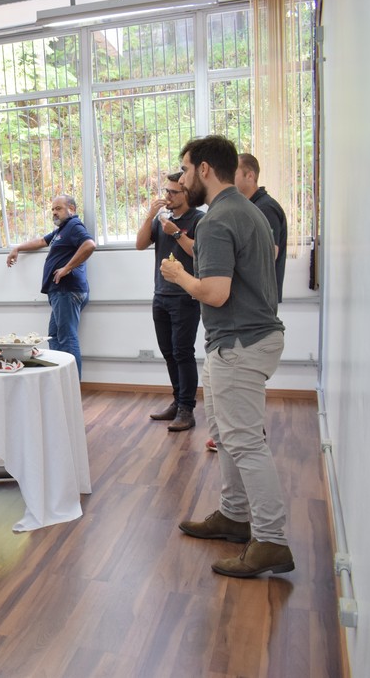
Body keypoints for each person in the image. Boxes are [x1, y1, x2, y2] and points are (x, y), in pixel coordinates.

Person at [160, 135, 293, 578]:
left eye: (184, 169)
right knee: (229, 435)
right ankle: (235, 516)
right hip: (241, 341)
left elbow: (215, 292)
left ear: (203, 169)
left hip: (239, 344)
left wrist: (178, 275)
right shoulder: (247, 209)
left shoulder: (217, 219)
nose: (180, 179)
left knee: (245, 442)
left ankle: (271, 540)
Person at [136, 172, 204, 432]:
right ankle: (177, 402)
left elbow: (198, 252)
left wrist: (176, 234)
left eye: (174, 192)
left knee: (182, 352)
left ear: (187, 193)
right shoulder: (161, 219)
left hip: (186, 296)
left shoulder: (199, 219)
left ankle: (187, 409)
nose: (168, 196)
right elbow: (140, 244)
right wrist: (149, 216)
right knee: (168, 353)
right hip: (161, 295)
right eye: (166, 191)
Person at [6, 194, 96, 378]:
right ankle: (60, 381)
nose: (54, 212)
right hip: (60, 292)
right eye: (53, 209)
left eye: (59, 208)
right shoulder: (60, 231)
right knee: (54, 336)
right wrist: (17, 248)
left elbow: (89, 244)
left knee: (67, 338)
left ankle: (72, 385)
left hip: (67, 291)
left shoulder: (74, 226)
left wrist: (67, 268)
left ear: (72, 209)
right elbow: (41, 241)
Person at [235, 153, 288, 302]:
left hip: (260, 296)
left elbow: (270, 253)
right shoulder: (250, 206)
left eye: (234, 173)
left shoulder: (265, 208)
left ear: (250, 176)